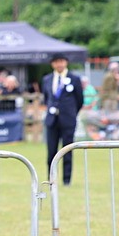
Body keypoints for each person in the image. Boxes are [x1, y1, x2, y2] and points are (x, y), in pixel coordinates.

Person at [41, 52, 84, 186]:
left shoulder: (74, 79)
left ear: (66, 62)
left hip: (68, 120)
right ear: (52, 64)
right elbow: (46, 98)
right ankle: (51, 179)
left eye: (62, 61)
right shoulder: (47, 79)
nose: (59, 64)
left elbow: (79, 100)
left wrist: (70, 113)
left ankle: (66, 180)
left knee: (67, 150)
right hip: (52, 120)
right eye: (56, 61)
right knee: (51, 151)